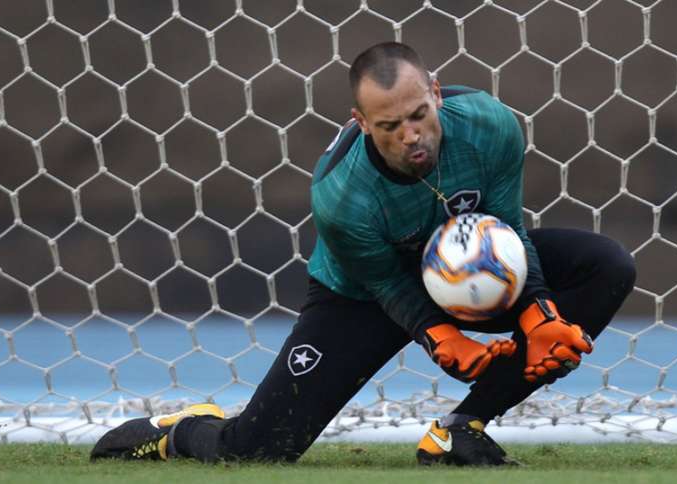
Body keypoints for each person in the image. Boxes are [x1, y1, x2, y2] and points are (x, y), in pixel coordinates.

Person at [90, 42, 636, 466]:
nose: (411, 137)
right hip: (363, 296)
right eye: (389, 127)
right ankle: (181, 431)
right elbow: (387, 285)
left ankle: (459, 430)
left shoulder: (492, 126)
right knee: (257, 450)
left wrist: (538, 311)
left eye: (419, 114)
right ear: (360, 122)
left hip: (469, 272)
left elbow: (508, 231)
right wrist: (442, 337)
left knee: (606, 266)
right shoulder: (340, 196)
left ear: (437, 93)